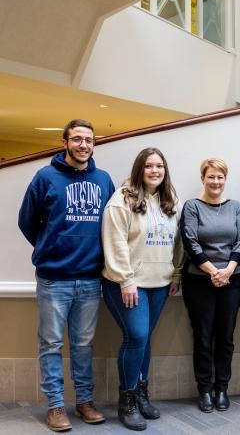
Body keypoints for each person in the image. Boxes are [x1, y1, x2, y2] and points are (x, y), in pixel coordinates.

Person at [18, 119, 114, 432]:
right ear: (65, 143)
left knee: (83, 345)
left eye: (88, 140)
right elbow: (27, 222)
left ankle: (84, 401)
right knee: (51, 344)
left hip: (89, 279)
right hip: (53, 279)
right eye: (77, 139)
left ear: (93, 144)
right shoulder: (45, 177)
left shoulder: (103, 179)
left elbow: (112, 225)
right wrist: (51, 246)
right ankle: (56, 405)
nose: (83, 145)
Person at [101, 147, 184, 431]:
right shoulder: (121, 200)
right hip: (127, 284)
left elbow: (177, 241)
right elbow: (115, 242)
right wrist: (125, 279)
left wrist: (176, 272)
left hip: (159, 283)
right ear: (140, 169)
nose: (155, 171)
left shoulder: (169, 199)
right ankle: (127, 402)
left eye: (159, 166)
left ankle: (141, 393)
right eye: (149, 166)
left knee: (145, 338)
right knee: (136, 336)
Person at [180, 158, 240, 413]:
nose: (216, 182)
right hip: (199, 281)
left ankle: (222, 388)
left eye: (220, 177)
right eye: (211, 177)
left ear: (225, 179)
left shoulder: (235, 208)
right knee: (203, 336)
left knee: (226, 337)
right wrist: (212, 271)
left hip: (232, 279)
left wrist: (227, 270)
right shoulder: (193, 206)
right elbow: (191, 242)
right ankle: (204, 389)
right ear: (202, 178)